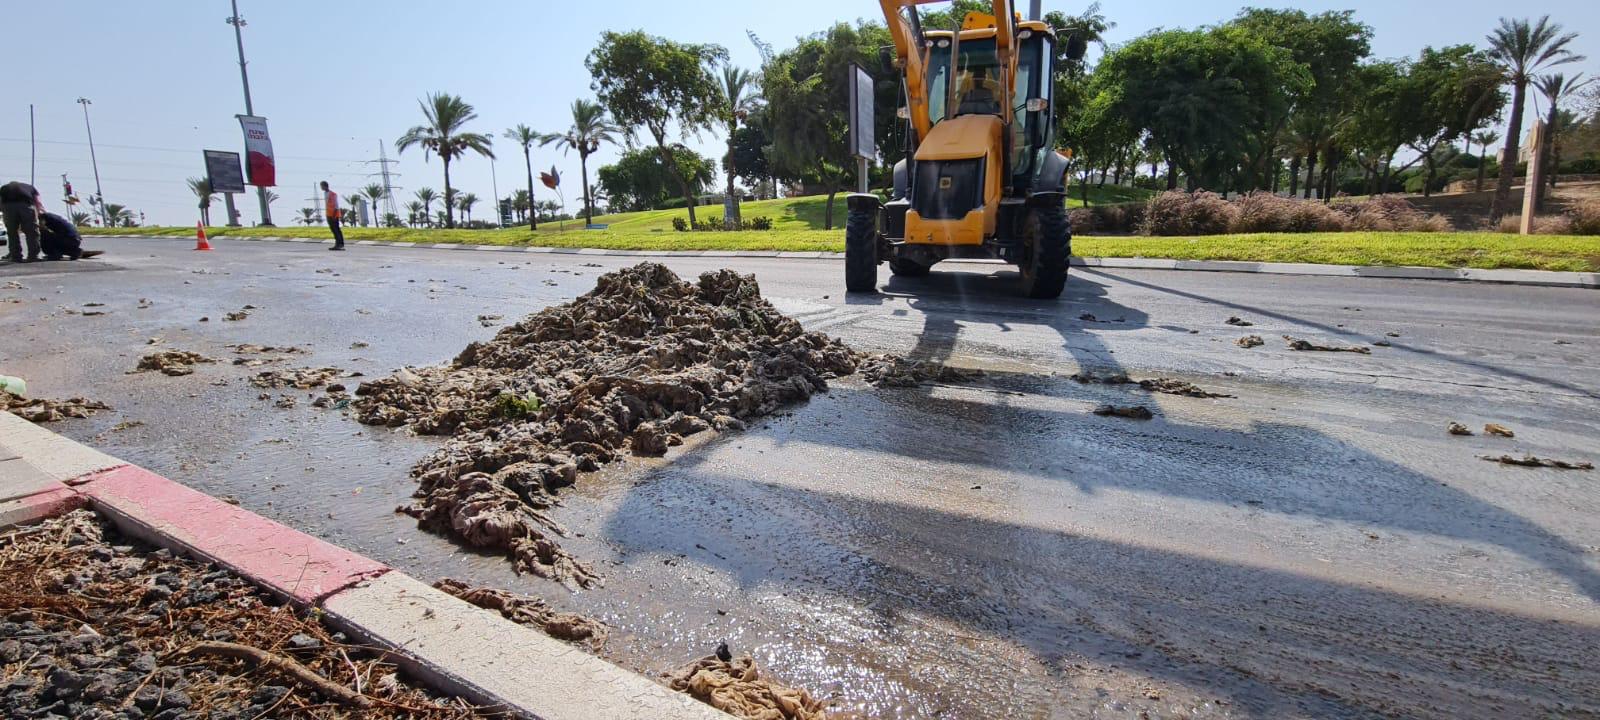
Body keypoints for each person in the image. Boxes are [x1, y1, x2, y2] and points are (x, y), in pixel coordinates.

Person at [1, 180, 45, 263]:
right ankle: (33, 256)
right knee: (31, 231)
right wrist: (40, 212)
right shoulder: (30, 188)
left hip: (8, 206)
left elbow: (0, 201)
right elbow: (38, 201)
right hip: (26, 206)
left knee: (12, 232)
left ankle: (15, 256)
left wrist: (4, 212)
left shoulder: (4, 188)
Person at [322, 180, 345, 251]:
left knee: (336, 229)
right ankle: (337, 244)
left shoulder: (332, 194)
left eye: (322, 186)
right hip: (328, 214)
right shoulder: (325, 193)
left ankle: (340, 244)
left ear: (325, 186)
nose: (321, 188)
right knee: (333, 230)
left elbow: (336, 205)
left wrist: (334, 215)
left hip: (334, 214)